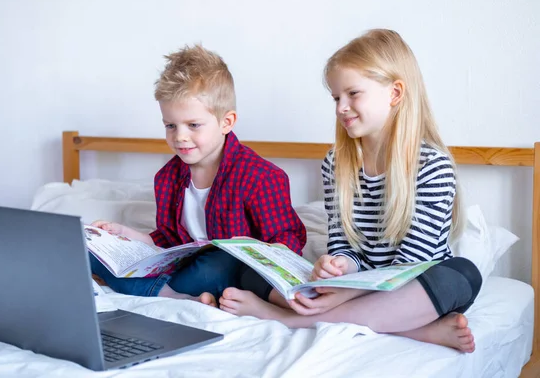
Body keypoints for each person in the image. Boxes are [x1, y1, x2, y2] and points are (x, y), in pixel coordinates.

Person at [218, 29, 482, 353]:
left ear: (395, 93)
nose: (341, 107)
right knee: (249, 272)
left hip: (411, 283)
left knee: (463, 275)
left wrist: (348, 292)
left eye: (353, 93)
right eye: (335, 97)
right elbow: (344, 244)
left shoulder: (432, 166)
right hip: (356, 287)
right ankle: (418, 331)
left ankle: (288, 319)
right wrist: (339, 266)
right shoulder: (336, 163)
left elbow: (414, 263)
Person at [91, 44, 307, 306]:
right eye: (170, 125)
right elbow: (167, 240)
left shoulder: (260, 177)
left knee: (218, 262)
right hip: (183, 268)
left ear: (226, 122)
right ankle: (176, 294)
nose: (180, 136)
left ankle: (162, 291)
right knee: (90, 253)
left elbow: (288, 239)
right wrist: (124, 234)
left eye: (193, 125)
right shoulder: (168, 177)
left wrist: (257, 248)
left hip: (225, 267)